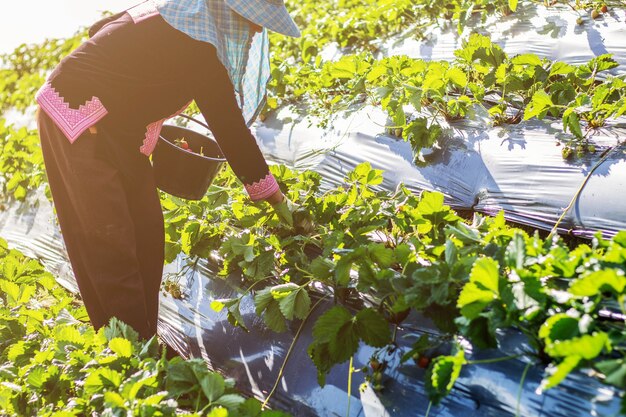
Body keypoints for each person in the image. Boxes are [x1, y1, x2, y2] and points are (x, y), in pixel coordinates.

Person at [35, 0, 301, 340]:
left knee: (147, 229)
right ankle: (127, 349)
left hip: (119, 129)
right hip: (76, 117)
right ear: (227, 10)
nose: (258, 29)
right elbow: (230, 130)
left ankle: (144, 335)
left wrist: (129, 97)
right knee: (110, 237)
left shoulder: (178, 15)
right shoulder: (196, 44)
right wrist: (277, 201)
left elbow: (102, 29)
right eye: (251, 19)